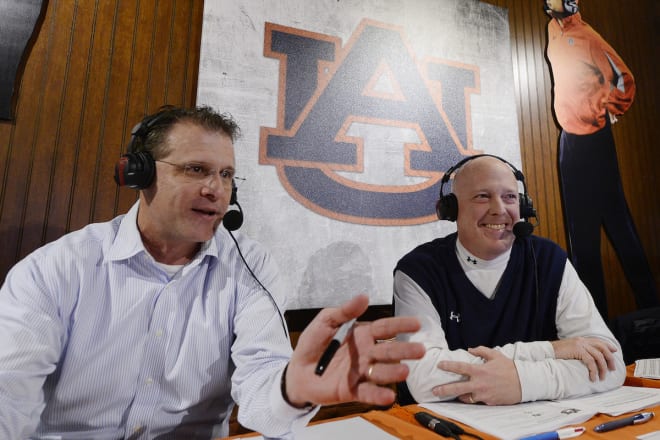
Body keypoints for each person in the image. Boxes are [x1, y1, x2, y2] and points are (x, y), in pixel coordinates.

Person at [0, 105, 425, 440]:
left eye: (225, 175)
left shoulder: (249, 266)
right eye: (195, 169)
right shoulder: (56, 268)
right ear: (138, 173)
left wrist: (290, 390)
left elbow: (261, 382)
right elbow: (8, 392)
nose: (215, 189)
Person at [393, 154, 626, 406]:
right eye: (482, 196)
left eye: (510, 197)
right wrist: (551, 350)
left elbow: (611, 366)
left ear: (523, 206)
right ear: (451, 209)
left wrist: (524, 383)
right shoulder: (418, 271)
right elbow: (425, 380)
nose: (499, 209)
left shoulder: (549, 260)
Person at [544, 0, 657, 318]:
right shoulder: (552, 29)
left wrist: (607, 112)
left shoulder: (586, 35)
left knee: (620, 228)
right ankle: (597, 330)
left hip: (594, 142)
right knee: (582, 242)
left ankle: (653, 311)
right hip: (568, 143)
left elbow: (625, 80)